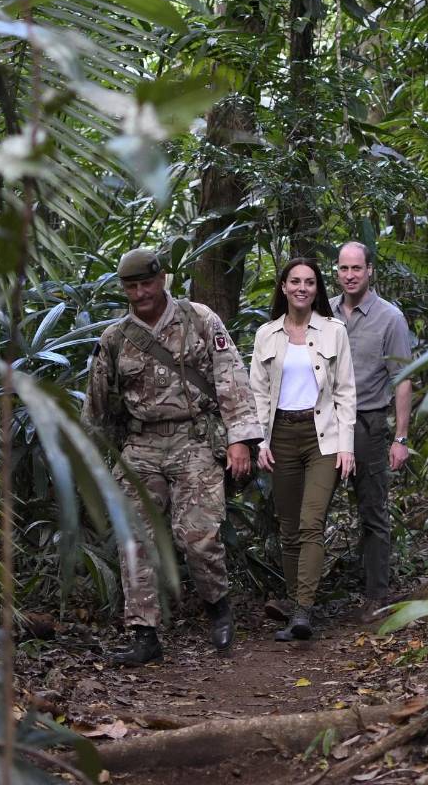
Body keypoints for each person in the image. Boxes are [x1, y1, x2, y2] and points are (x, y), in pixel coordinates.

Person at [86, 248, 262, 665]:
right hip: (141, 446)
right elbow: (96, 408)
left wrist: (240, 440)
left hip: (195, 439)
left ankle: (218, 607)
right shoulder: (114, 338)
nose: (141, 293)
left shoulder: (200, 319)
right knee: (135, 539)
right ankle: (144, 633)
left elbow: (230, 378)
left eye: (147, 283)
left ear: (162, 279)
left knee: (198, 536)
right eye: (132, 287)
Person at [250, 258, 356, 641]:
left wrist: (347, 446)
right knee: (289, 527)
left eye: (310, 282)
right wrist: (259, 441)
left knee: (312, 522)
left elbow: (345, 391)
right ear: (283, 287)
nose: (302, 288)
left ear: (317, 289)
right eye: (294, 281)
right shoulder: (267, 334)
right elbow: (258, 393)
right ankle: (296, 606)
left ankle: (303, 611)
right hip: (280, 437)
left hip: (322, 437)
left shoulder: (334, 332)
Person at [329, 242, 413, 624]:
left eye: (356, 268)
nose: (350, 275)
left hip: (368, 423)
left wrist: (400, 438)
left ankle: (377, 595)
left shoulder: (389, 318)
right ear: (336, 271)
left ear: (369, 271)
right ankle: (303, 600)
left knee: (372, 511)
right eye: (344, 268)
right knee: (309, 511)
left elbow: (402, 378)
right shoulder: (322, 311)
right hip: (324, 424)